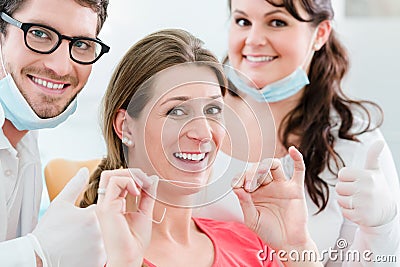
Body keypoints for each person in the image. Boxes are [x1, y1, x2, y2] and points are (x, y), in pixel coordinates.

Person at [80, 28, 324, 267]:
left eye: (213, 110)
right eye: (177, 111)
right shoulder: (88, 250)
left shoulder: (250, 245)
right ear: (126, 127)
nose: (204, 133)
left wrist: (297, 247)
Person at [194, 0, 400, 266]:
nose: (254, 40)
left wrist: (381, 229)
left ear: (321, 33)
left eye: (277, 22)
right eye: (243, 21)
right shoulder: (193, 118)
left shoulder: (356, 143)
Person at [0, 0, 110, 266]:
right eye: (39, 33)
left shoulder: (26, 141)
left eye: (82, 44)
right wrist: (37, 254)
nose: (60, 67)